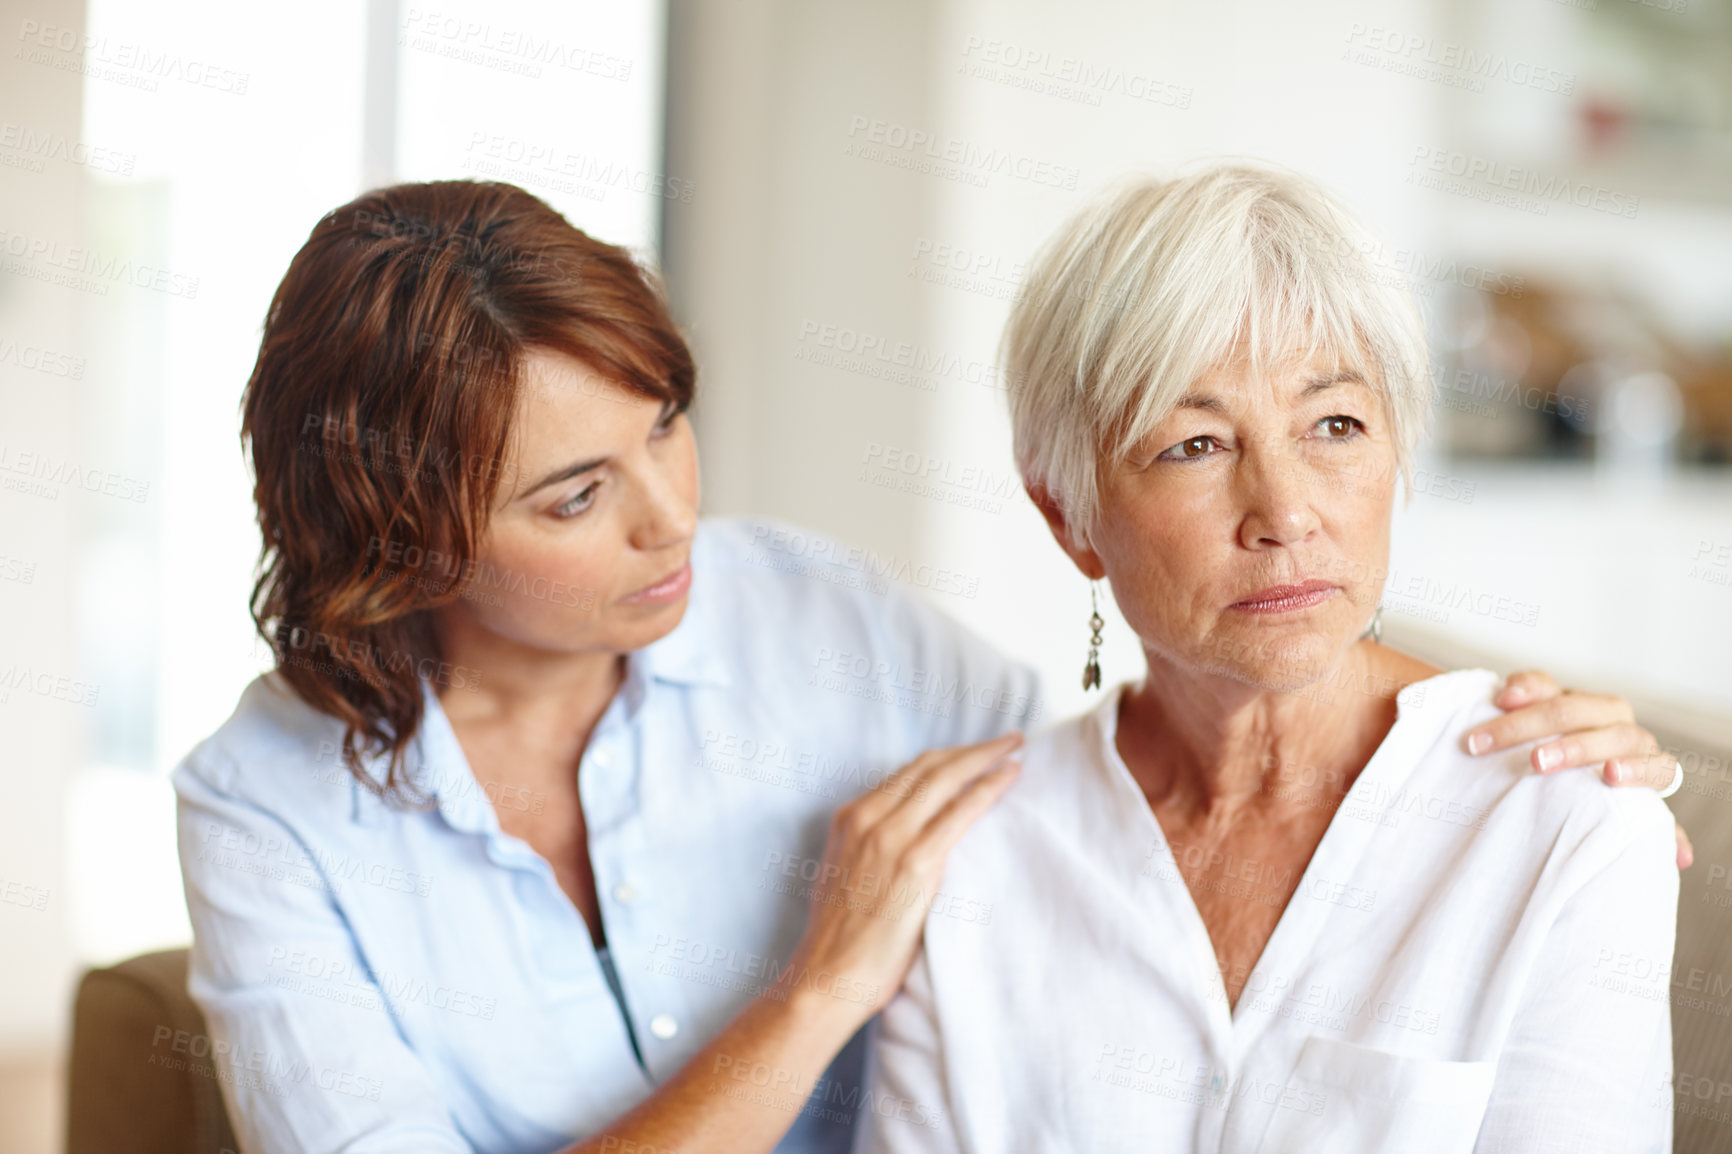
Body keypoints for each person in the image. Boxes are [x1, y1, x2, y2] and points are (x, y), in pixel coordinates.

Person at [174, 179, 1681, 1154]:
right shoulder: (264, 807)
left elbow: (1184, 712)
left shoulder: (819, 622)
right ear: (408, 539)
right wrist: (822, 989)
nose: (670, 512)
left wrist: (1494, 723)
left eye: (665, 424)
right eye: (573, 496)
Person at [855, 163, 1682, 1154]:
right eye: (1195, 444)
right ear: (1066, 512)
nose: (1286, 511)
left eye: (1334, 424)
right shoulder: (971, 855)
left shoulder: (1562, 815)